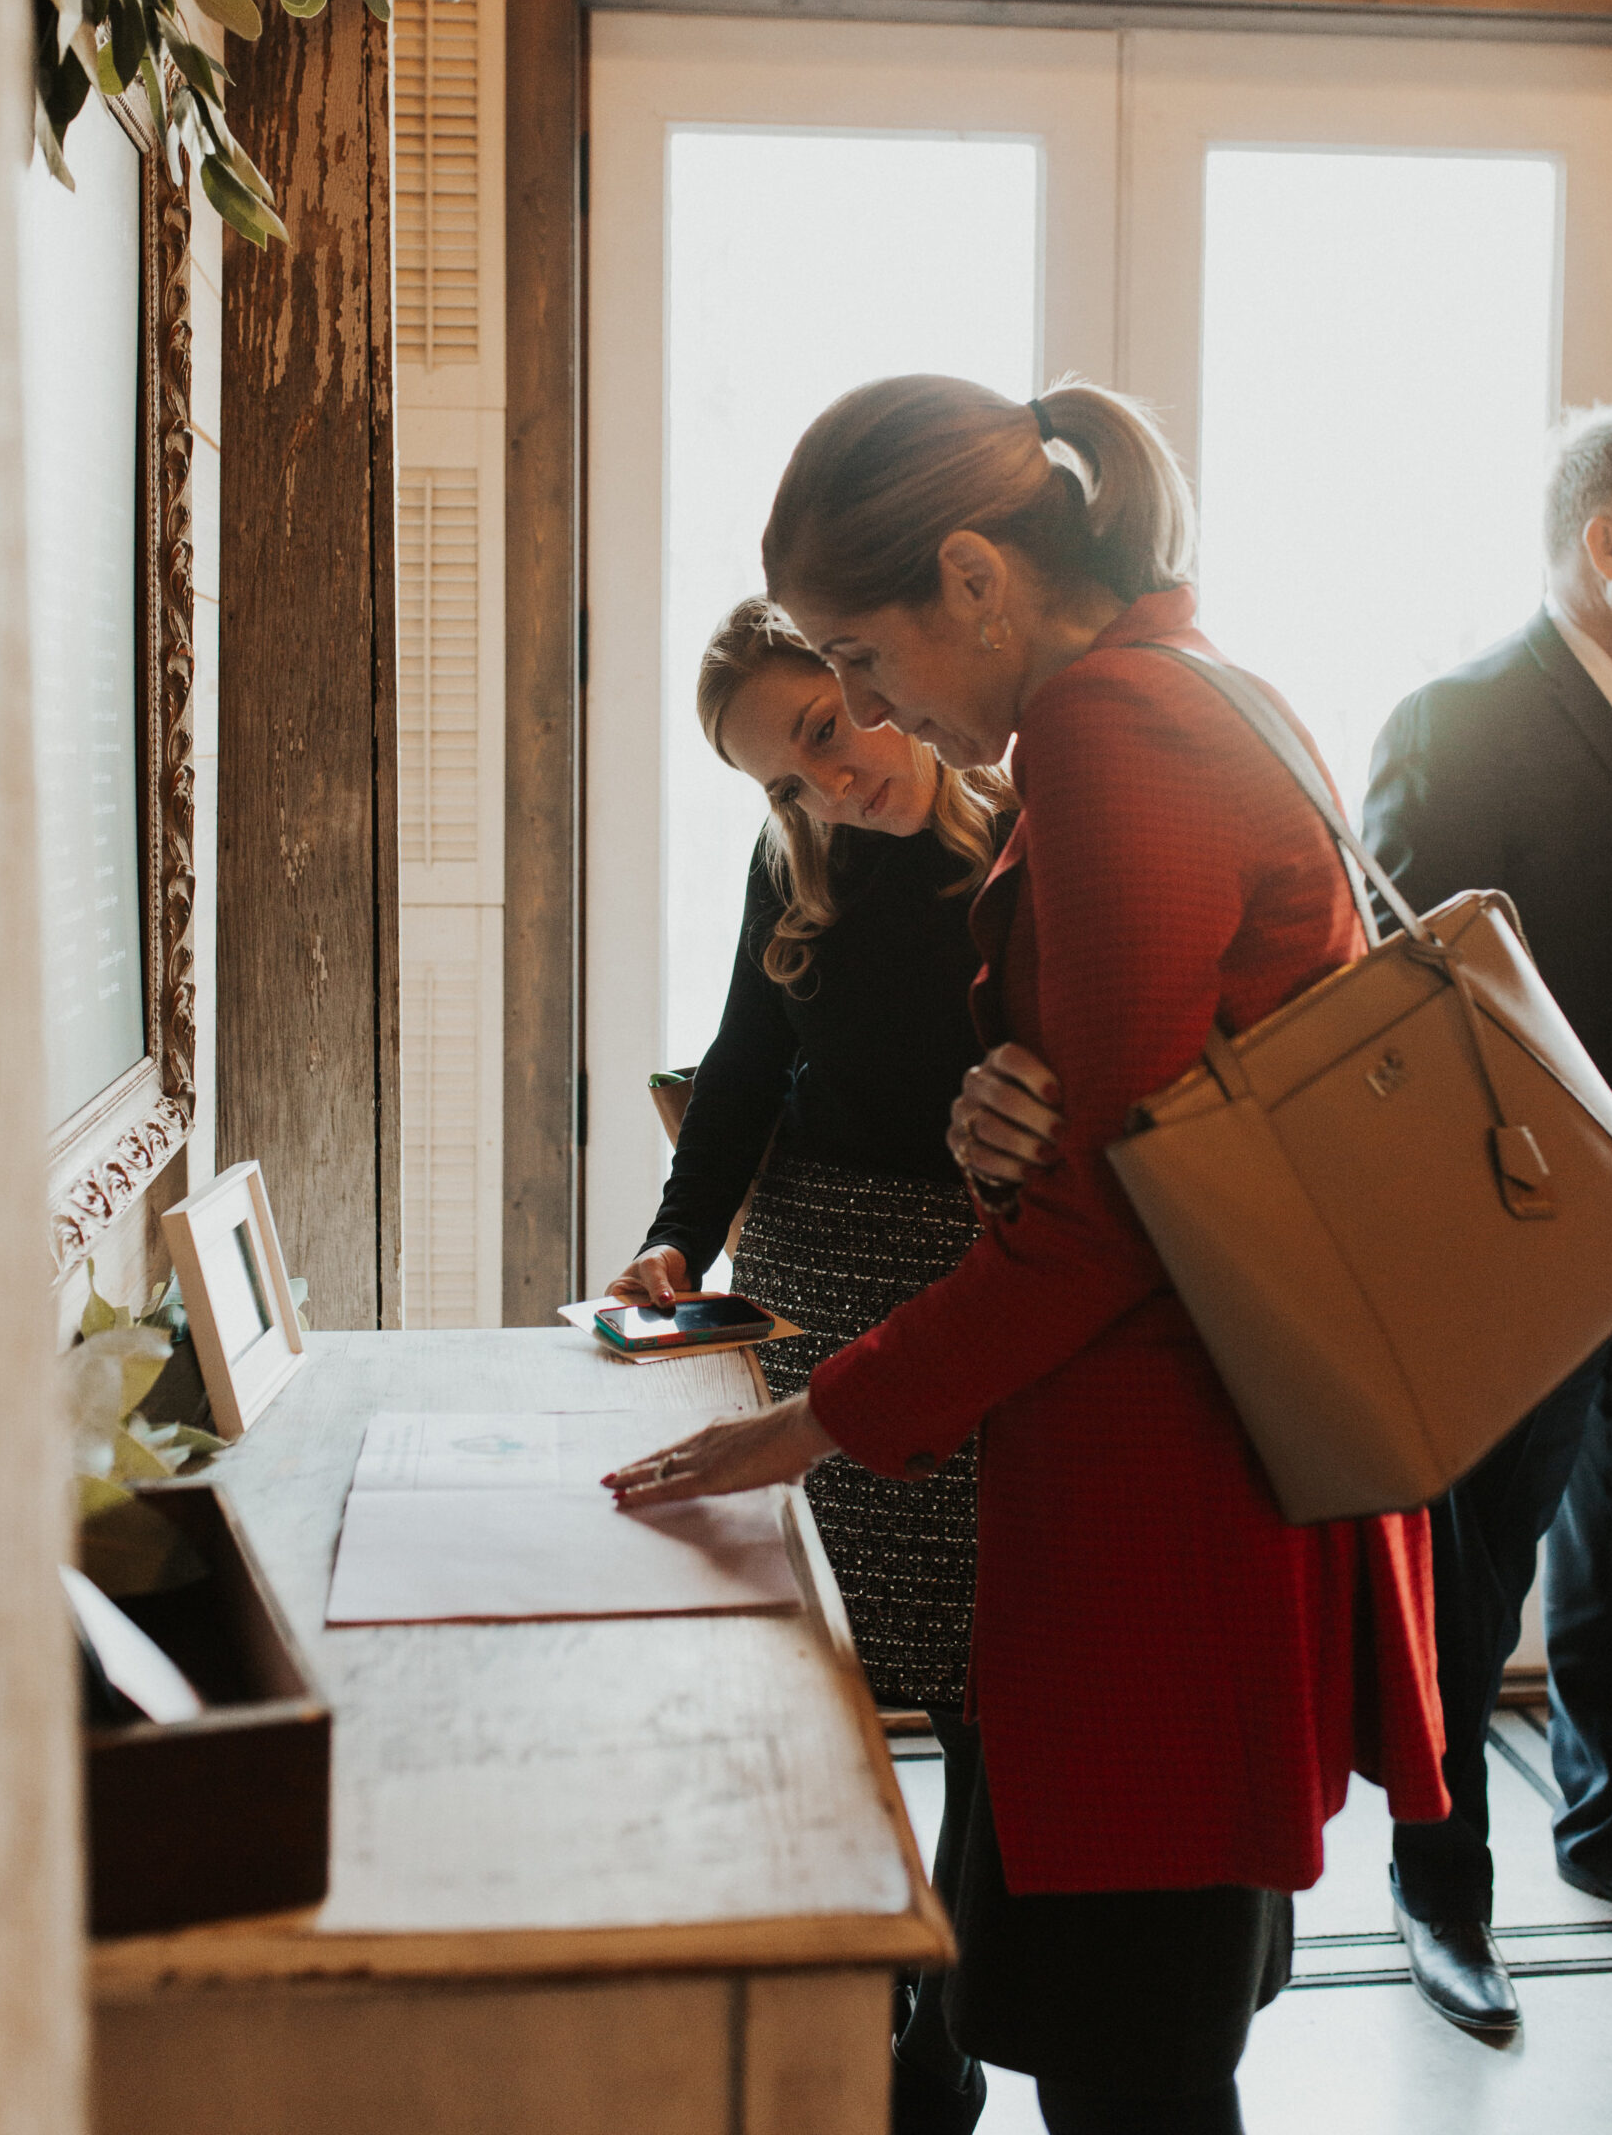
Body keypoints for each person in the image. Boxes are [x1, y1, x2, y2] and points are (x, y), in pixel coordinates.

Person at [607, 377, 1448, 2135]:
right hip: (1190, 1470)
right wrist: (1012, 1099)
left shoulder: (1104, 728)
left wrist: (808, 1419)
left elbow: (1109, 1218)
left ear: (976, 577)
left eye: (859, 651)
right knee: (1126, 2027)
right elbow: (1151, 1105)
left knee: (1127, 2063)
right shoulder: (1197, 681)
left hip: (1162, 1500)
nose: (858, 706)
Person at [608, 595, 1015, 2135]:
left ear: (872, 679)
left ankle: (967, 2002)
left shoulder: (1027, 834)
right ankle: (883, 2000)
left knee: (975, 1680)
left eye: (825, 730)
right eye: (782, 774)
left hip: (977, 1296)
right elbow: (740, 1073)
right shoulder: (796, 867)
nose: (823, 782)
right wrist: (673, 1242)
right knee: (829, 1678)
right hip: (808, 1286)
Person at [1362, 402, 1612, 2038]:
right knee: (1471, 1583)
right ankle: (1438, 1895)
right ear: (1607, 541)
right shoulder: (1455, 718)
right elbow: (1413, 986)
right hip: (1528, 1221)